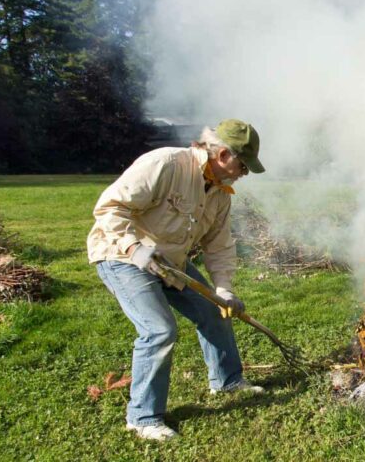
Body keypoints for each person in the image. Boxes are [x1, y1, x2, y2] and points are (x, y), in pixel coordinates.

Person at [87, 119, 266, 441]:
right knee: (159, 330)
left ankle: (227, 381)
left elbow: (220, 245)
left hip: (171, 262)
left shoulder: (221, 194)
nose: (245, 173)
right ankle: (143, 417)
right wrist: (133, 247)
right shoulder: (165, 164)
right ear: (223, 154)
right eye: (243, 165)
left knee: (213, 310)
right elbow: (110, 208)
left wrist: (223, 289)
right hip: (121, 256)